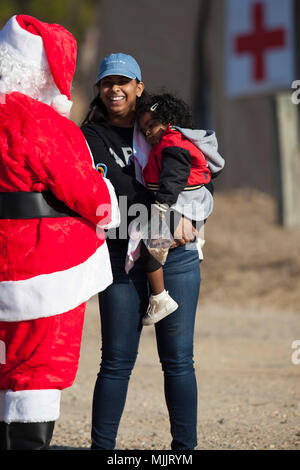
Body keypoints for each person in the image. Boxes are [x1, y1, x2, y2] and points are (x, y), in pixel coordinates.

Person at [81, 52, 221, 451]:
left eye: (124, 82)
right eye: (108, 82)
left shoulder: (158, 126)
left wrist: (192, 219)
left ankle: (184, 452)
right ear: (100, 90)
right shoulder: (88, 137)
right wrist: (154, 215)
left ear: (138, 87)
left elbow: (200, 170)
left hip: (176, 256)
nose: (115, 89)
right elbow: (96, 196)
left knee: (178, 361)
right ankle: (102, 450)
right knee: (115, 363)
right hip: (120, 258)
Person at [0, 15, 119, 450]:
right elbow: (88, 194)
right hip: (43, 267)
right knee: (37, 367)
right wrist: (108, 205)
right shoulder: (44, 124)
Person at [131, 92, 224, 326]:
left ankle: (160, 297)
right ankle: (196, 240)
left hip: (182, 204)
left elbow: (174, 177)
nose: (148, 133)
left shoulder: (172, 144)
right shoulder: (175, 141)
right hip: (194, 202)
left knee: (150, 243)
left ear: (169, 119)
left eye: (152, 125)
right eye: (144, 130)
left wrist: (161, 206)